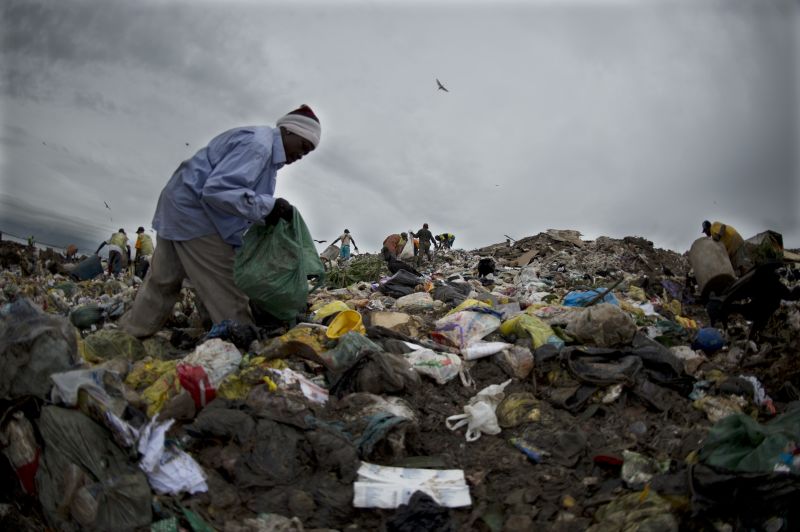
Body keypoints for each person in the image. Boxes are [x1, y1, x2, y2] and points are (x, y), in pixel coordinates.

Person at [119, 104, 321, 338]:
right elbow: (217, 190)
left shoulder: (263, 147)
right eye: (303, 146)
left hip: (178, 205)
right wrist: (269, 206)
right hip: (197, 216)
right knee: (228, 289)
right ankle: (240, 344)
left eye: (307, 152)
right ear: (288, 131)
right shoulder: (259, 146)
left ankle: (129, 335)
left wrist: (266, 212)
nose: (301, 155)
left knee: (163, 280)